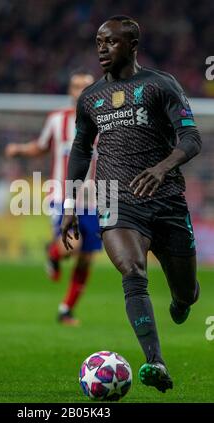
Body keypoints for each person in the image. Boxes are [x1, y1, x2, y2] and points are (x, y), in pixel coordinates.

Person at [61, 16, 202, 392]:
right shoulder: (90, 98)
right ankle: (155, 361)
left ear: (133, 44)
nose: (102, 49)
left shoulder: (160, 85)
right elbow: (79, 150)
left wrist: (161, 167)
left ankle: (182, 299)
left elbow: (191, 139)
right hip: (117, 201)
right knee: (133, 272)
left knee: (187, 292)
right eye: (98, 42)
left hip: (168, 201)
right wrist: (72, 202)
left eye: (111, 42)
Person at [5, 70, 102, 326]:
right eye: (76, 86)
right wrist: (19, 150)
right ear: (70, 91)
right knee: (73, 245)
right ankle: (53, 252)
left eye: (86, 86)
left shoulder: (107, 122)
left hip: (95, 199)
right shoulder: (57, 119)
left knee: (86, 258)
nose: (80, 90)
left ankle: (66, 309)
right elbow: (41, 146)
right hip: (62, 194)